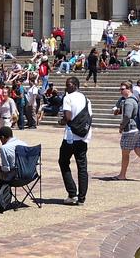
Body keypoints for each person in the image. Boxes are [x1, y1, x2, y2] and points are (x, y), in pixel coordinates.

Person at [113, 82, 140, 182]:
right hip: (138, 129)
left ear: (129, 89)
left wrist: (121, 126)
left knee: (125, 153)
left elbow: (127, 116)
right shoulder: (135, 99)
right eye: (120, 89)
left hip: (130, 130)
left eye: (122, 89)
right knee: (139, 150)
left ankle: (122, 175)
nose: (121, 91)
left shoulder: (129, 101)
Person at [58, 76, 90, 206]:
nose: (67, 87)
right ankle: (81, 198)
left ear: (75, 85)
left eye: (69, 84)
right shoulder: (86, 99)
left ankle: (72, 194)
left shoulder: (68, 98)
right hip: (83, 136)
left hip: (71, 137)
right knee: (82, 166)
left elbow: (68, 116)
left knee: (63, 162)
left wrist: (62, 121)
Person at [0, 125, 26, 211]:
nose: (1, 141)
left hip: (15, 178)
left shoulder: (4, 148)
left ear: (3, 137)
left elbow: (6, 169)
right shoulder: (23, 143)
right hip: (29, 175)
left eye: (0, 139)